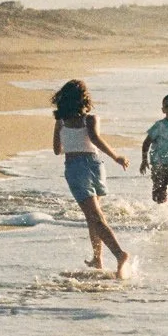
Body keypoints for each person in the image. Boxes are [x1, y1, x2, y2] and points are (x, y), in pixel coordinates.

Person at [51, 78, 131, 277]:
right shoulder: (91, 119)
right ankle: (97, 258)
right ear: (84, 99)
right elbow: (95, 139)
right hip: (96, 165)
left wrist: (67, 137)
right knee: (93, 216)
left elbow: (57, 150)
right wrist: (116, 157)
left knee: (95, 218)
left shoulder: (61, 122)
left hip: (75, 168)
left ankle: (119, 254)